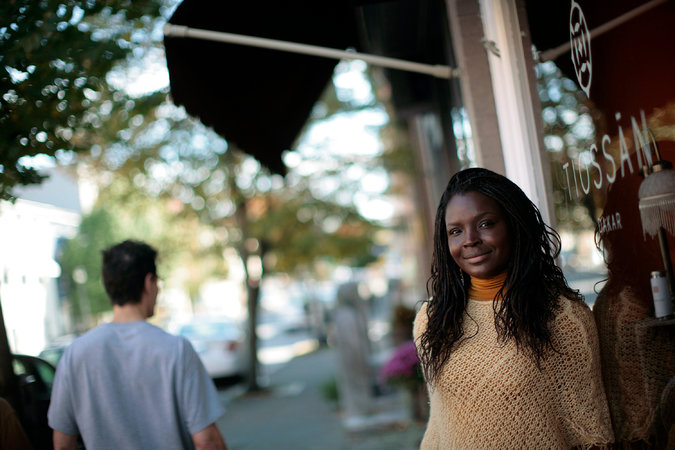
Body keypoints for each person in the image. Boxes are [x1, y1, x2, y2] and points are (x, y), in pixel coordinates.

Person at [413, 168, 613, 448]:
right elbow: (440, 423)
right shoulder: (432, 319)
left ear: (513, 224)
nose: (469, 239)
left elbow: (592, 432)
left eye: (485, 224)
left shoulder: (562, 316)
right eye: (455, 231)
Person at [48, 240, 227, 450]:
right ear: (149, 282)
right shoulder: (177, 350)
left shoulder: (74, 355)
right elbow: (207, 442)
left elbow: (62, 445)